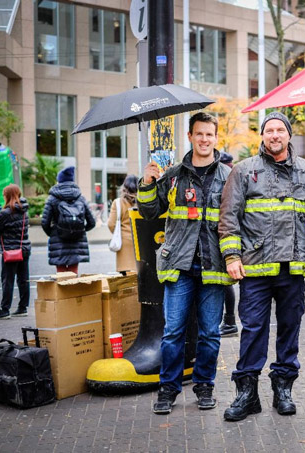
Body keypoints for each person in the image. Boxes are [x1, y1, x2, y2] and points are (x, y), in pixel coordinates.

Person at [218, 112, 305, 421]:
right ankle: (247, 394)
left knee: (289, 329)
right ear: (262, 136)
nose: (274, 135)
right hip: (255, 269)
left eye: (280, 130)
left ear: (289, 135)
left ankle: (283, 389)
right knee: (254, 330)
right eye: (269, 130)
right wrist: (232, 257)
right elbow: (229, 217)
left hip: (293, 269)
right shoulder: (244, 171)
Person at [138, 112, 233, 415]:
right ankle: (168, 389)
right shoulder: (174, 174)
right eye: (199, 134)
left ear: (215, 138)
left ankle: (205, 385)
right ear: (190, 137)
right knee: (173, 332)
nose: (205, 139)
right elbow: (151, 212)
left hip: (213, 265)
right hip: (179, 265)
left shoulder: (229, 176)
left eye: (210, 134)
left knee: (209, 332)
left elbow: (235, 219)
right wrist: (147, 182)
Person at [41, 166, 96, 274]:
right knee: (73, 276)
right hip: (76, 242)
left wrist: (53, 232)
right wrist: (80, 230)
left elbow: (44, 222)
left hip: (58, 241)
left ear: (59, 180)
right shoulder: (81, 198)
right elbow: (92, 222)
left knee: (61, 276)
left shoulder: (52, 198)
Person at [0, 185, 31, 320]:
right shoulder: (24, 211)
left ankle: (4, 310)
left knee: (7, 280)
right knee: (23, 279)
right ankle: (22, 307)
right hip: (24, 249)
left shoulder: (5, 213)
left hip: (10, 251)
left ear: (7, 196)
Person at [218, 151, 238, 337]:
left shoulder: (228, 175)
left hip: (223, 237)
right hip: (226, 236)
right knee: (226, 283)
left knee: (226, 283)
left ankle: (230, 321)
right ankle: (230, 321)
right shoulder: (233, 173)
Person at [107, 175, 138, 273]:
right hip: (140, 241)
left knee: (125, 277)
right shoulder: (143, 202)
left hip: (124, 243)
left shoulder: (118, 203)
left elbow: (111, 224)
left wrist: (118, 233)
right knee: (140, 275)